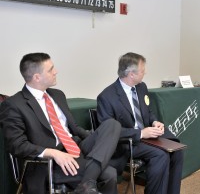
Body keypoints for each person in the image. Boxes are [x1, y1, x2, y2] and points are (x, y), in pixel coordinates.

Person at [0, 53, 121, 194]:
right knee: (109, 173)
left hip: (75, 147)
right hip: (50, 162)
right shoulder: (14, 104)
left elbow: (74, 128)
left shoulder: (58, 95)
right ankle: (88, 183)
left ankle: (87, 184)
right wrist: (54, 153)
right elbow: (16, 145)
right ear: (37, 77)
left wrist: (96, 140)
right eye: (51, 69)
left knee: (112, 124)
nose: (56, 71)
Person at [97, 52, 184, 194]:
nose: (146, 73)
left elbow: (148, 112)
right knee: (160, 154)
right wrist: (141, 133)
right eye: (142, 71)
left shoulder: (141, 87)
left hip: (148, 136)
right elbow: (109, 132)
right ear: (131, 74)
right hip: (127, 142)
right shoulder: (106, 97)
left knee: (177, 149)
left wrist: (155, 121)